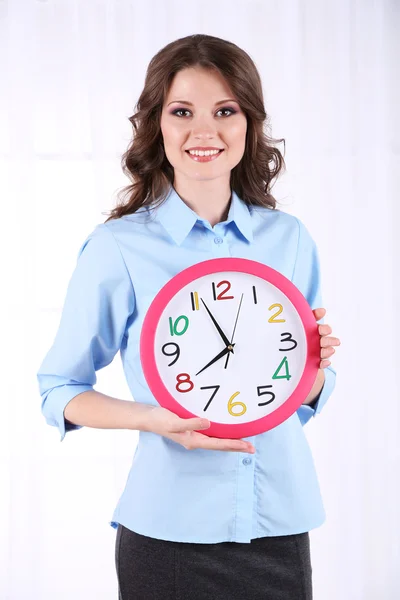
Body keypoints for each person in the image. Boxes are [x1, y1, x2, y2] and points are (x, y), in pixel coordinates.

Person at [36, 33, 340, 600]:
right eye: (182, 112)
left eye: (225, 110)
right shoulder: (120, 247)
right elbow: (58, 389)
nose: (205, 131)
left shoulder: (289, 240)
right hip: (168, 533)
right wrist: (154, 418)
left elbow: (298, 393)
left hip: (279, 523)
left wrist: (314, 372)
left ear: (249, 123)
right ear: (158, 126)